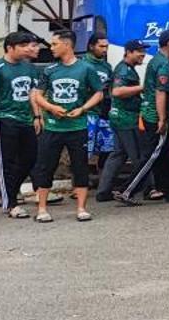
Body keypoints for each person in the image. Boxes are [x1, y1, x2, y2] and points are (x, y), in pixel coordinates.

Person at [31, 30, 105, 223]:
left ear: (67, 45)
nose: (51, 47)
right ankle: (42, 209)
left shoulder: (86, 69)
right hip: (53, 128)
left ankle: (81, 208)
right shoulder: (49, 70)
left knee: (80, 167)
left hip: (77, 127)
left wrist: (83, 108)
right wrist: (50, 107)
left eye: (55, 44)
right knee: (46, 167)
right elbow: (37, 95)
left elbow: (99, 93)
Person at [120, 29, 169, 204]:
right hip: (157, 117)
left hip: (160, 115)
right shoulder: (163, 64)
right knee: (152, 156)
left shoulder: (158, 61)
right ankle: (127, 190)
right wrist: (162, 119)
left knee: (164, 156)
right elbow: (160, 93)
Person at [0, 31, 45, 217]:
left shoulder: (29, 68)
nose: (28, 49)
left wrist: (37, 116)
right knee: (7, 163)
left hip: (26, 120)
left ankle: (12, 191)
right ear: (10, 48)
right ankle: (9, 203)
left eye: (29, 45)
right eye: (23, 46)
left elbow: (33, 94)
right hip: (5, 119)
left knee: (29, 159)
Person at [94, 40, 150, 202]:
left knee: (118, 154)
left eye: (144, 51)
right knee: (139, 157)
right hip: (126, 119)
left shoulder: (128, 69)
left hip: (120, 117)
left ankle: (103, 192)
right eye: (139, 51)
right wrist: (142, 88)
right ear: (129, 52)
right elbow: (117, 91)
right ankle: (139, 190)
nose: (143, 54)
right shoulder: (123, 70)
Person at [82, 33, 118, 195]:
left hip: (104, 113)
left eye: (106, 47)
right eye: (101, 46)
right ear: (91, 46)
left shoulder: (106, 67)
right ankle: (80, 184)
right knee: (84, 150)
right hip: (88, 112)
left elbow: (110, 89)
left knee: (107, 149)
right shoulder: (83, 65)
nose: (104, 50)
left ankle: (104, 185)